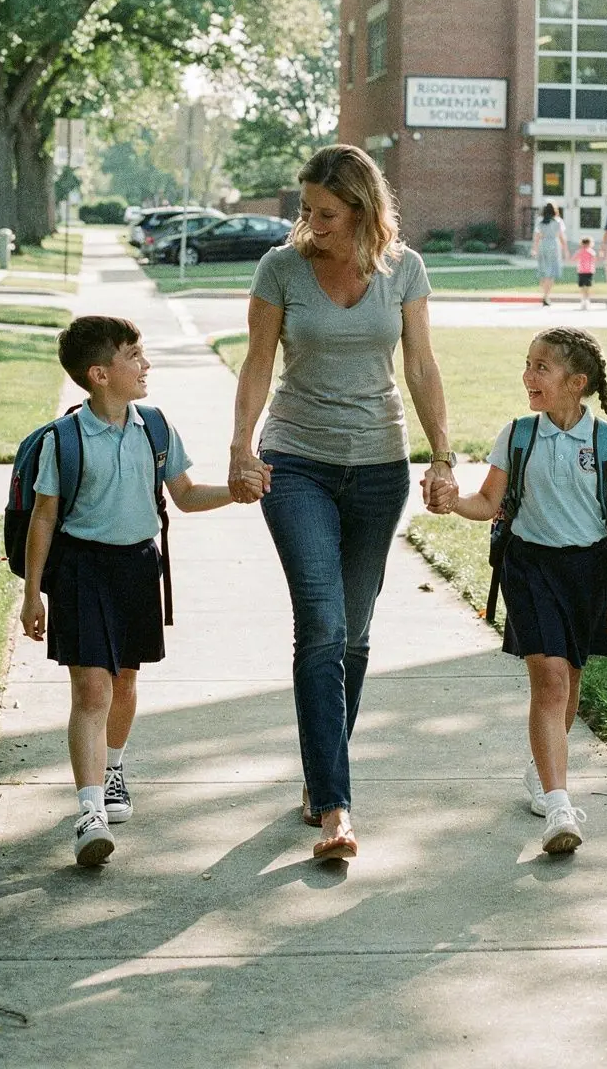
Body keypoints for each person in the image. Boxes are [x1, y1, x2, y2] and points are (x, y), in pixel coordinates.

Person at [227, 144, 457, 863]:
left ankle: (321, 772)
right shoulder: (281, 268)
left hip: (379, 468)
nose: (311, 224)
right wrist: (241, 446)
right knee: (322, 627)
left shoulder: (404, 270)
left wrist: (442, 453)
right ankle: (335, 807)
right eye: (306, 211)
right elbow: (259, 360)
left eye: (325, 214)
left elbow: (419, 364)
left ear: (362, 209)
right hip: (296, 461)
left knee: (354, 636)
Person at [20, 315, 264, 867]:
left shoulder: (154, 426)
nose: (146, 364)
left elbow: (184, 495)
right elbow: (43, 517)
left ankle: (112, 772)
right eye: (135, 356)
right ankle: (88, 813)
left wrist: (236, 491)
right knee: (91, 691)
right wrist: (33, 594)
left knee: (125, 681)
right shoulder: (65, 439)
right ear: (100, 374)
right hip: (82, 569)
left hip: (138, 567)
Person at [426, 326, 607, 855]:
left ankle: (546, 772)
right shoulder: (519, 434)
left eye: (541, 367)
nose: (528, 376)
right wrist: (452, 502)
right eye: (528, 364)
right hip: (530, 566)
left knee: (568, 677)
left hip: (588, 572)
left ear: (576, 382)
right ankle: (560, 806)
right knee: (549, 679)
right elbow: (488, 503)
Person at [532, 202, 569, 306]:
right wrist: (566, 250)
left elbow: (537, 236)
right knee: (552, 271)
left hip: (543, 244)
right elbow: (562, 237)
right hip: (554, 244)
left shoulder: (539, 221)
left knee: (543, 269)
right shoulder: (558, 221)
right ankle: (547, 295)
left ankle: (544, 292)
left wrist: (534, 249)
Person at [571, 235, 597, 310]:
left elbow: (573, 258)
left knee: (582, 286)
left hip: (581, 271)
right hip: (589, 271)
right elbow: (595, 259)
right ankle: (587, 300)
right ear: (590, 244)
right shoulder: (591, 252)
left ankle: (584, 299)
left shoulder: (579, 251)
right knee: (588, 286)